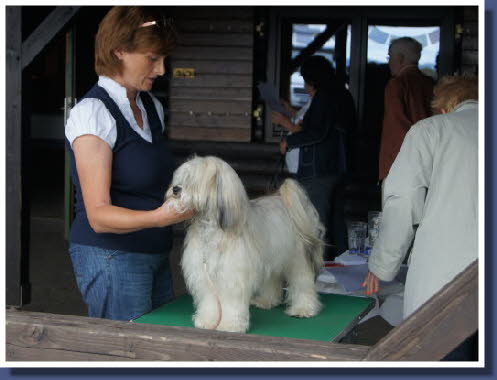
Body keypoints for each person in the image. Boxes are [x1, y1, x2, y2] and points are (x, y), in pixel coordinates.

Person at [65, 6, 193, 321]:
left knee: (158, 351)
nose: (162, 69)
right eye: (152, 58)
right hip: (111, 257)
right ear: (119, 50)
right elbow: (98, 216)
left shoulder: (152, 107)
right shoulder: (93, 112)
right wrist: (161, 218)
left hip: (156, 253)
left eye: (163, 59)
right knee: (126, 360)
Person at [362, 76, 478, 323]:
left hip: (446, 272)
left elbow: (403, 201)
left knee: (443, 352)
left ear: (445, 107)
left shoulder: (431, 130)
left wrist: (382, 265)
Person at [273, 55, 356, 259]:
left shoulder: (323, 97)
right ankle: (342, 266)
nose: (305, 83)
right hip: (337, 167)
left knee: (316, 222)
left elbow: (316, 132)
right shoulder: (342, 94)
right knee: (335, 220)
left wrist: (289, 142)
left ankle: (321, 269)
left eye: (306, 79)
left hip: (319, 169)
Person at [378, 37, 434, 188]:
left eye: (389, 57)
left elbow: (396, 128)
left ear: (400, 58)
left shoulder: (397, 85)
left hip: (402, 165)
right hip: (430, 163)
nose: (388, 61)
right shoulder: (431, 84)